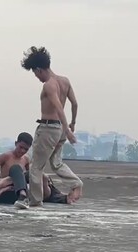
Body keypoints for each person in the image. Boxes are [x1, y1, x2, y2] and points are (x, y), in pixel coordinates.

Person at [17, 46, 83, 209]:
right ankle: (76, 183)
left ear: (39, 70)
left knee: (36, 166)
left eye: (35, 73)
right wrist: (72, 124)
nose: (36, 77)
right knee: (56, 162)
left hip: (48, 129)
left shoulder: (49, 85)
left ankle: (35, 201)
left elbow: (59, 108)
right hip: (60, 130)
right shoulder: (65, 81)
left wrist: (68, 130)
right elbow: (74, 103)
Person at [0, 133, 68, 205]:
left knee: (41, 176)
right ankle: (17, 189)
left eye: (26, 149)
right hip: (7, 190)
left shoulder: (26, 159)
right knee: (16, 168)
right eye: (21, 147)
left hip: (18, 189)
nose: (22, 151)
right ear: (16, 144)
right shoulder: (6, 156)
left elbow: (30, 175)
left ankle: (62, 197)